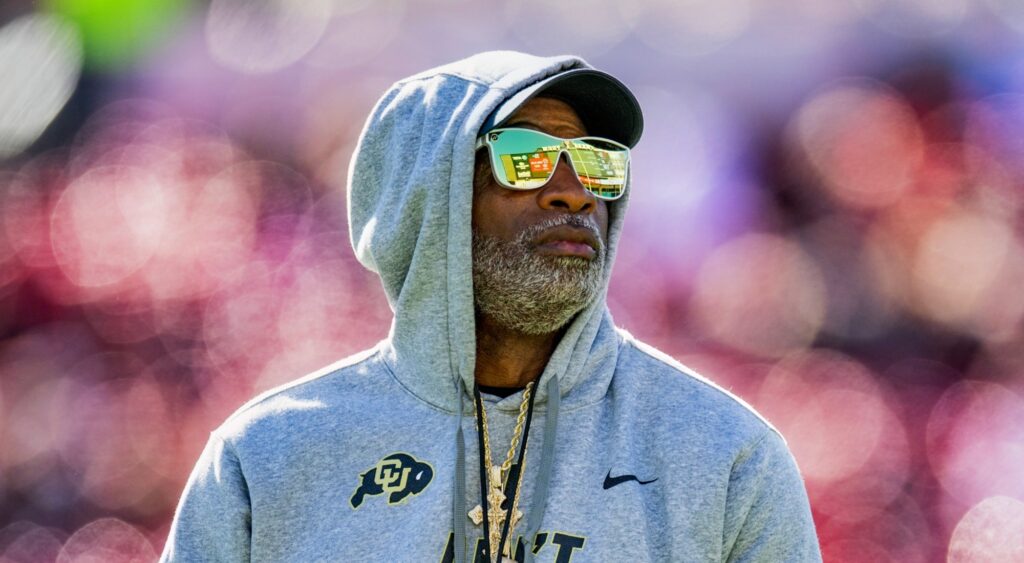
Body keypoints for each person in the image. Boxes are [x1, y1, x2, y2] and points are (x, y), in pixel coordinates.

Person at [160, 51, 822, 562]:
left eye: (596, 163)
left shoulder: (729, 457)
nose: (575, 193)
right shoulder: (266, 458)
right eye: (525, 157)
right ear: (427, 197)